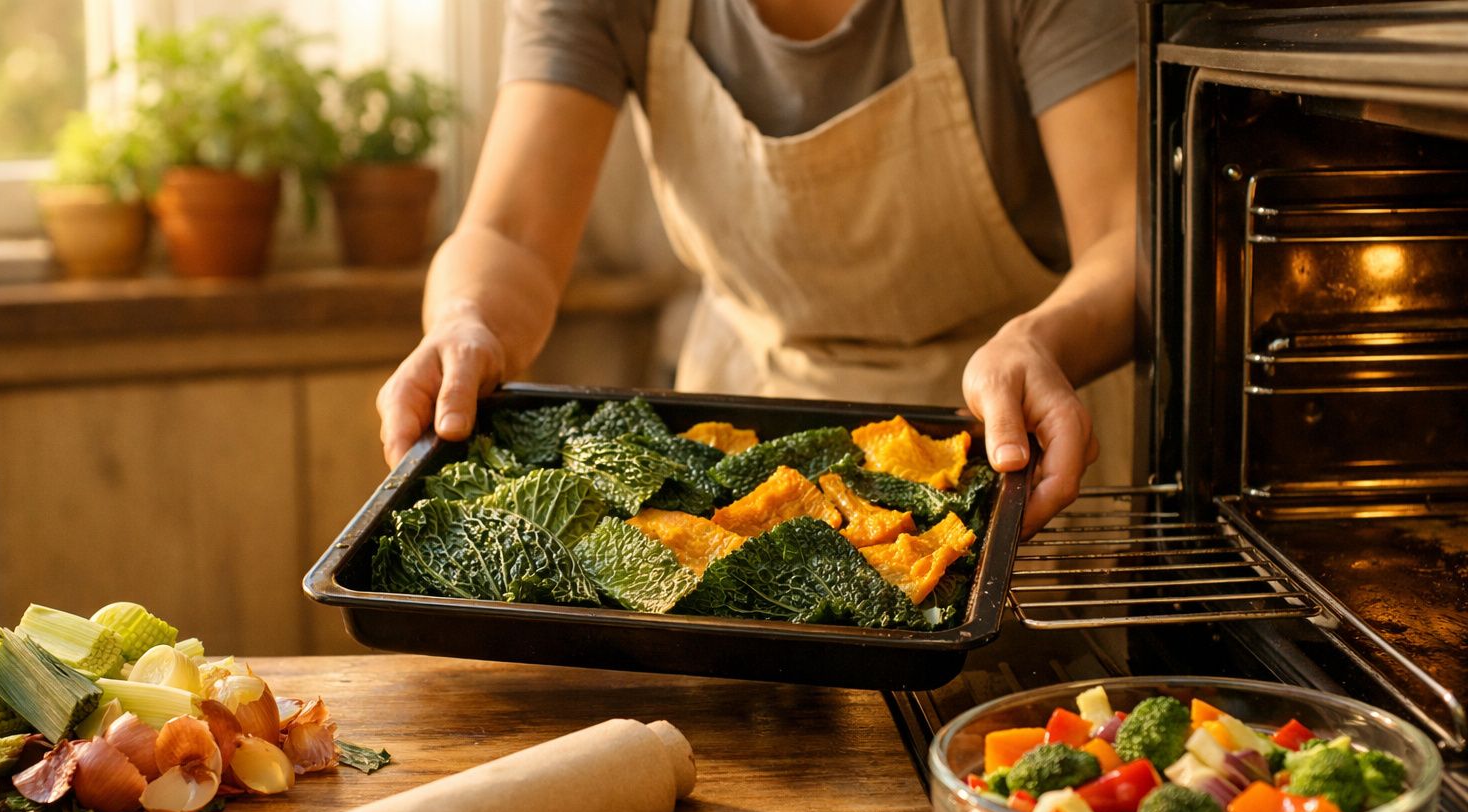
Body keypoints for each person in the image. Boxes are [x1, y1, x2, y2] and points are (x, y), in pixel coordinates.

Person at [377, 0, 1137, 536]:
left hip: (1010, 456)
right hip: (738, 458)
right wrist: (465, 319)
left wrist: (1039, 342)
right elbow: (510, 233)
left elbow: (1126, 235)